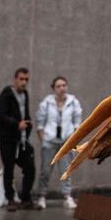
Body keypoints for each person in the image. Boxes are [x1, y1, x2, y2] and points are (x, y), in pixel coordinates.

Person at [36, 75, 83, 205]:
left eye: (64, 85)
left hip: (66, 142)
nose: (62, 88)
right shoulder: (46, 103)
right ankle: (41, 196)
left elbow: (77, 123)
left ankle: (67, 196)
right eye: (58, 86)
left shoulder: (73, 102)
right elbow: (40, 123)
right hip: (50, 141)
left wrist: (73, 141)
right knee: (45, 170)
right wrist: (43, 140)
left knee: (66, 170)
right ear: (53, 88)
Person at [0, 67, 37, 210]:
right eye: (21, 79)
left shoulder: (25, 94)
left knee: (30, 168)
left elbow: (25, 114)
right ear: (15, 79)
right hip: (8, 140)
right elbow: (0, 115)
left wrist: (28, 123)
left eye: (26, 79)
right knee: (9, 169)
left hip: (22, 141)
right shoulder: (6, 94)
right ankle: (10, 199)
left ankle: (26, 198)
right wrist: (16, 124)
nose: (24, 82)